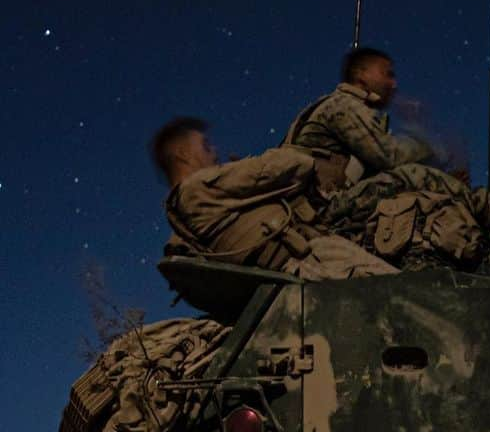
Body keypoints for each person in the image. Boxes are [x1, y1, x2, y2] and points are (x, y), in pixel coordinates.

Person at [151, 116, 395, 279]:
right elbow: (280, 168)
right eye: (205, 146)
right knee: (408, 295)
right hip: (313, 258)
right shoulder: (197, 188)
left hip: (295, 267)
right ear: (183, 154)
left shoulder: (180, 219)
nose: (215, 152)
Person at [283, 47, 434, 194]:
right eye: (386, 74)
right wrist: (428, 145)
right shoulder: (346, 106)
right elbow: (389, 156)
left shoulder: (340, 104)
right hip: (321, 201)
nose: (393, 84)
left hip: (320, 197)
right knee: (419, 176)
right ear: (361, 75)